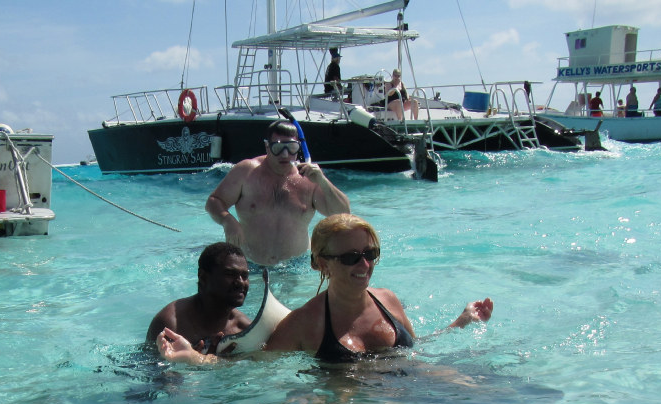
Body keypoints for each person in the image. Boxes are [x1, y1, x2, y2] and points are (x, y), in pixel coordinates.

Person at [265, 213, 492, 362]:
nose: (364, 264)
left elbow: (418, 349)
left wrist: (462, 322)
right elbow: (258, 366)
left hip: (410, 386)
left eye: (370, 254)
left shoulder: (387, 300)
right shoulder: (303, 323)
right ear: (323, 264)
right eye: (350, 257)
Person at [205, 119, 350, 267]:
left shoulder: (310, 178)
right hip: (249, 265)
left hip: (297, 267)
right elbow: (214, 201)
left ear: (298, 147)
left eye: (291, 147)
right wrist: (227, 220)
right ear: (267, 146)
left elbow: (343, 213)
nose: (285, 154)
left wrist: (323, 180)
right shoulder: (246, 172)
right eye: (278, 147)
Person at [147, 242, 251, 363]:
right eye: (230, 274)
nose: (240, 282)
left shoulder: (244, 329)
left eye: (245, 276)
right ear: (203, 277)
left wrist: (204, 362)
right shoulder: (171, 325)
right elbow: (155, 376)